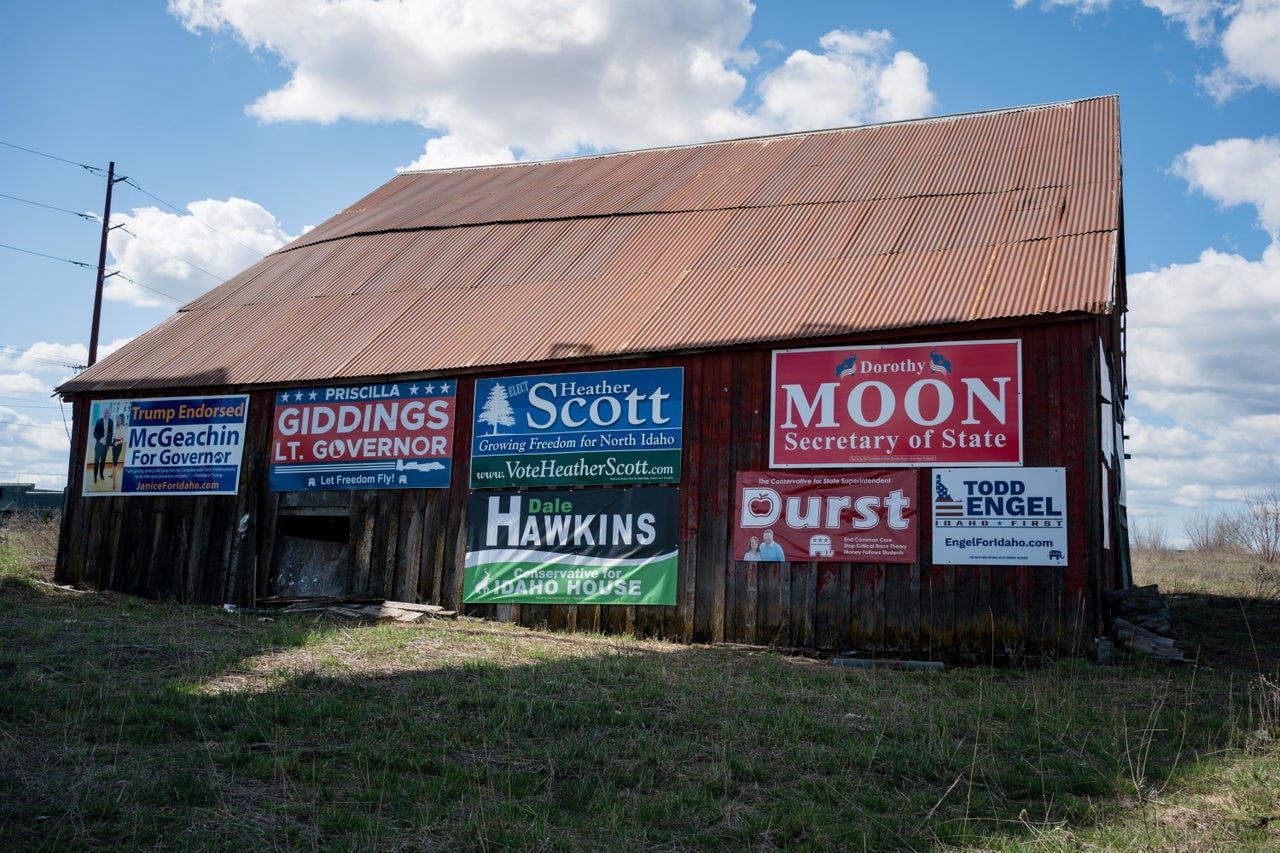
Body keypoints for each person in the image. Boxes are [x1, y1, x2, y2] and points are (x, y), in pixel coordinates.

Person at [91, 407, 113, 484]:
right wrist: (99, 439)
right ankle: (94, 476)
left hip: (105, 446)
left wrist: (110, 445)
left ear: (109, 414)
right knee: (96, 461)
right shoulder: (99, 421)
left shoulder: (111, 422)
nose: (106, 414)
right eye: (105, 412)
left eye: (107, 412)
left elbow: (111, 434)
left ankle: (101, 474)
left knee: (103, 461)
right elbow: (94, 434)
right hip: (98, 446)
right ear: (103, 413)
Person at [109, 413, 127, 486]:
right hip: (114, 442)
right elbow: (113, 435)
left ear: (122, 420)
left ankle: (114, 482)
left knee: (115, 462)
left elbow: (123, 440)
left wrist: (117, 443)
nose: (119, 420)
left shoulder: (123, 428)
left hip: (119, 445)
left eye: (120, 419)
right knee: (113, 460)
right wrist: (111, 445)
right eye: (118, 418)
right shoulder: (115, 426)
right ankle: (112, 474)